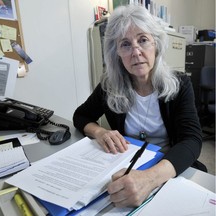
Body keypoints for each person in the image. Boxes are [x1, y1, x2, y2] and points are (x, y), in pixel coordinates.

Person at [73, 4, 206, 208]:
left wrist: (149, 179)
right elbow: (81, 116)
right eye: (125, 44)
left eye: (143, 40)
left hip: (168, 166)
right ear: (116, 53)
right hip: (125, 166)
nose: (136, 52)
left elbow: (192, 140)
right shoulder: (110, 86)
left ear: (156, 45)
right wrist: (99, 132)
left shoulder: (180, 84)